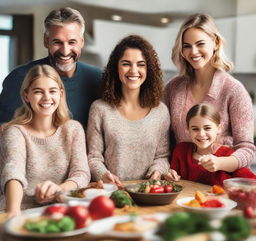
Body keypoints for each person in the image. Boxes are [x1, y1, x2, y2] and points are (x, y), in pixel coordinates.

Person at [164, 13, 255, 179]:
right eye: (187, 46)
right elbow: (163, 141)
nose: (193, 52)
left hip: (221, 184)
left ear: (215, 43)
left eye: (200, 44)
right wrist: (167, 171)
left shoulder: (233, 90)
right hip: (184, 184)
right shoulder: (172, 88)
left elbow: (247, 149)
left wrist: (221, 162)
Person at [0, 65, 90, 218]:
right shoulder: (15, 132)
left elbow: (81, 174)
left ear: (61, 94)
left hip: (59, 211)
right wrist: (13, 213)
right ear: (26, 95)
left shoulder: (73, 129)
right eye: (38, 92)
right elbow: (13, 172)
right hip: (21, 211)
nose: (46, 98)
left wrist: (59, 189)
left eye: (52, 91)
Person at [87, 35, 170, 185]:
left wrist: (157, 172)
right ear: (116, 67)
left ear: (149, 69)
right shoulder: (100, 109)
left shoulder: (161, 111)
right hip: (112, 192)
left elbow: (162, 157)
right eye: (126, 64)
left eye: (141, 64)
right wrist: (103, 174)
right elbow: (93, 157)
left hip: (148, 193)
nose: (133, 70)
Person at [0, 7, 101, 127]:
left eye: (72, 42)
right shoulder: (19, 78)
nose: (65, 51)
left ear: (82, 42)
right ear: (46, 41)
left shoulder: (98, 78)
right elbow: (4, 131)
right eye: (57, 42)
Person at [166, 103, 256, 186]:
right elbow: (173, 178)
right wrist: (170, 176)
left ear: (218, 128)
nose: (201, 134)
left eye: (207, 128)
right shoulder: (181, 150)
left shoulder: (227, 155)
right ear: (188, 129)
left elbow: (252, 181)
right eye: (195, 129)